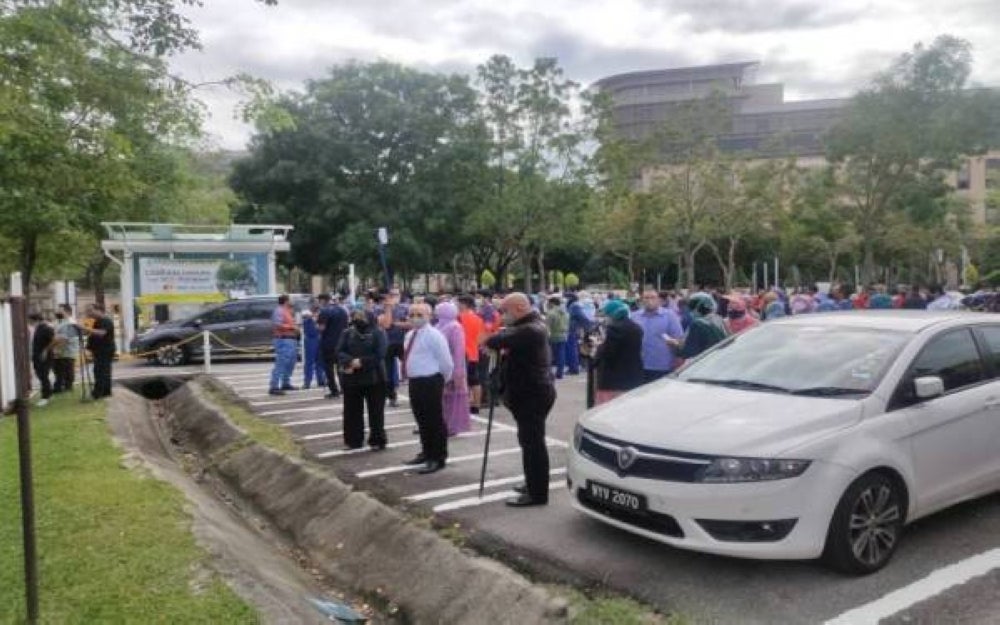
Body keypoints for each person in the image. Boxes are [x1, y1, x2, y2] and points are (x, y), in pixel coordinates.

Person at [484, 293, 556, 507]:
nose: (502, 316)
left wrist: (496, 337)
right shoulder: (529, 326)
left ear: (518, 308)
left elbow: (496, 340)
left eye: (504, 311)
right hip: (528, 392)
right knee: (529, 442)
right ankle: (533, 482)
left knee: (533, 444)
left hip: (532, 394)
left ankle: (537, 493)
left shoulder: (532, 329)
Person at [401, 303, 453, 474]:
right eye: (412, 314)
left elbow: (446, 362)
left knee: (434, 420)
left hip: (431, 380)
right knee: (421, 419)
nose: (415, 317)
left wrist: (442, 380)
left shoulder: (435, 335)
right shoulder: (410, 334)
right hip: (415, 381)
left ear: (429, 316)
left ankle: (437, 457)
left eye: (419, 314)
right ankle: (426, 452)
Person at [336, 306, 388, 450]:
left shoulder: (378, 333)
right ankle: (353, 440)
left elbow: (380, 354)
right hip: (352, 377)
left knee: (376, 412)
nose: (359, 321)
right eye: (356, 318)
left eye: (362, 318)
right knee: (351, 411)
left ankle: (377, 440)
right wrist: (350, 361)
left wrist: (361, 362)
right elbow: (339, 351)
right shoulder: (347, 333)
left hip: (375, 378)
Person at [593, 300, 643, 405]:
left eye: (606, 315)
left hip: (613, 381)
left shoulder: (615, 329)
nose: (605, 318)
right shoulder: (637, 327)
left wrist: (599, 348)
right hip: (632, 378)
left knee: (606, 411)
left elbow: (608, 353)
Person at [630, 289, 684, 384]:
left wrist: (674, 342)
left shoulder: (669, 316)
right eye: (646, 298)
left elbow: (679, 339)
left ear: (658, 300)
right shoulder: (635, 317)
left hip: (662, 366)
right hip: (639, 365)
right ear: (641, 300)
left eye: (653, 297)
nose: (649, 300)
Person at [435, 302, 470, 436]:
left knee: (453, 398)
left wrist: (458, 373)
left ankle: (452, 426)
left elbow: (458, 351)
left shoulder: (455, 327)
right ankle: (443, 424)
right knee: (442, 398)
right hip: (440, 368)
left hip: (454, 366)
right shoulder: (438, 325)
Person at [666, 293, 728, 360]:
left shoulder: (697, 325)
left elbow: (688, 352)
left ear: (697, 307)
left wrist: (675, 345)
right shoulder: (718, 319)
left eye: (691, 306)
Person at [378, 288, 411, 407]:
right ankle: (392, 397)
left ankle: (414, 394)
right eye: (391, 294)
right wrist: (388, 309)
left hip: (402, 342)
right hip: (387, 344)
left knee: (410, 368)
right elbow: (386, 324)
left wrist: (397, 324)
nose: (394, 297)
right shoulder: (379, 308)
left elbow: (411, 324)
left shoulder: (405, 308)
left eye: (396, 294)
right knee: (388, 372)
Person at [456, 295, 485, 415]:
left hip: (461, 353)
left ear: (464, 304)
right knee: (475, 381)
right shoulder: (478, 319)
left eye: (458, 303)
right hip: (474, 352)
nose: (456, 306)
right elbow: (481, 338)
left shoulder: (458, 318)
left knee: (463, 381)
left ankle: (465, 404)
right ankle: (476, 405)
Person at [317, 293, 348, 399]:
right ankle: (344, 388)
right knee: (341, 367)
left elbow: (321, 328)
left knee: (329, 368)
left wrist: (315, 323)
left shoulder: (324, 311)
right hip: (342, 343)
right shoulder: (343, 311)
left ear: (322, 301)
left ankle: (334, 390)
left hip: (328, 344)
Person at [268, 294, 299, 396]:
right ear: (286, 301)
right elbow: (277, 324)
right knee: (281, 362)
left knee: (291, 362)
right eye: (290, 299)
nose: (292, 301)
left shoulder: (288, 311)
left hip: (291, 339)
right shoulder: (279, 310)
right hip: (283, 339)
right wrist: (291, 327)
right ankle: (274, 386)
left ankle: (286, 382)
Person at [85, 304, 116, 400]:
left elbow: (101, 333)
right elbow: (92, 333)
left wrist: (86, 329)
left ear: (98, 310)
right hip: (99, 350)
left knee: (100, 371)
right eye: (87, 311)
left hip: (105, 350)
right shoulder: (97, 321)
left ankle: (98, 393)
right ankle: (105, 392)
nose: (89, 313)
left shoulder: (106, 321)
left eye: (90, 311)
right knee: (102, 371)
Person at [52, 304, 80, 394]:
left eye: (60, 310)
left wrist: (56, 349)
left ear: (67, 312)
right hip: (61, 352)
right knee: (59, 371)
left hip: (67, 351)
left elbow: (65, 338)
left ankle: (67, 388)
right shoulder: (60, 322)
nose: (57, 312)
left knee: (67, 371)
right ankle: (59, 387)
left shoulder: (70, 323)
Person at [30, 313, 55, 407]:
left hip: (44, 356)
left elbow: (54, 340)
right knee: (40, 375)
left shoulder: (46, 328)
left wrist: (46, 350)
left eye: (31, 321)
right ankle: (48, 393)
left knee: (43, 375)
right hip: (37, 355)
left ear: (36, 320)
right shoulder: (38, 328)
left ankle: (46, 396)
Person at [565, 293, 593, 375]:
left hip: (572, 330)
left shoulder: (574, 306)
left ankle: (574, 369)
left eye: (566, 298)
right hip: (572, 330)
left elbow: (583, 318)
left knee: (572, 350)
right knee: (572, 349)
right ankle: (573, 368)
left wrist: (588, 329)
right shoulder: (573, 306)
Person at [301, 307, 327, 390]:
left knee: (320, 361)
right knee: (309, 362)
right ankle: (307, 382)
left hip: (319, 339)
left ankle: (321, 380)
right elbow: (304, 315)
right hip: (310, 340)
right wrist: (311, 316)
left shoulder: (321, 317)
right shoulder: (307, 316)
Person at [544, 296, 569, 380]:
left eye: (548, 303)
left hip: (553, 336)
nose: (547, 304)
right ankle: (560, 373)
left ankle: (549, 373)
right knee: (561, 355)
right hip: (564, 334)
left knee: (550, 355)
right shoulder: (565, 312)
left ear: (552, 303)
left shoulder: (551, 313)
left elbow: (547, 326)